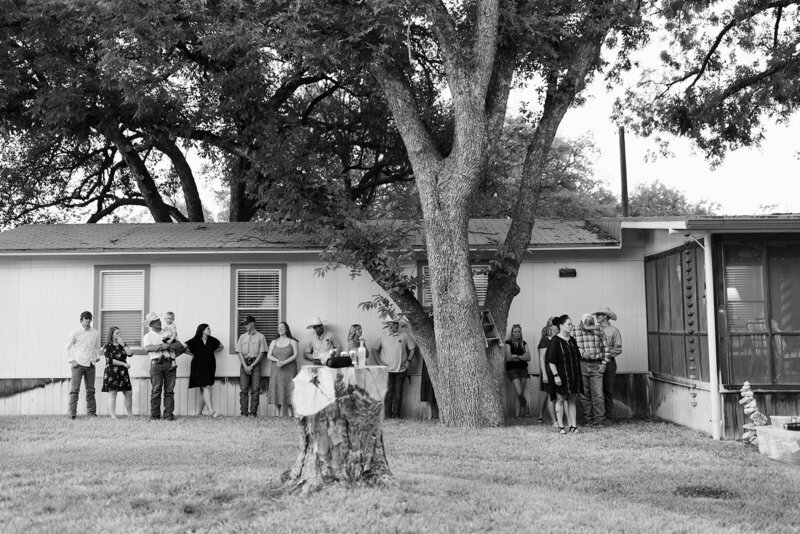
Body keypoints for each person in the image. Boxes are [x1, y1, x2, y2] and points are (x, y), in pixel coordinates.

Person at [545, 314, 584, 434]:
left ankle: (573, 426)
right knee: (560, 399)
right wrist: (556, 376)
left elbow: (577, 356)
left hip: (573, 374)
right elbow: (551, 360)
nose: (571, 326)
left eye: (571, 324)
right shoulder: (555, 341)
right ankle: (561, 426)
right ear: (561, 326)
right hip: (561, 375)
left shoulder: (572, 340)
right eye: (569, 324)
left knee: (572, 400)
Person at [372, 317, 416, 419]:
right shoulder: (382, 336)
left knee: (398, 393)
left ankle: (396, 416)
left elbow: (413, 349)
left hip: (401, 370)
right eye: (393, 324)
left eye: (397, 323)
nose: (396, 326)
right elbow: (374, 350)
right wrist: (380, 364)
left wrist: (408, 361)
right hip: (387, 371)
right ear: (388, 324)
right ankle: (388, 416)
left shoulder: (404, 335)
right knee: (388, 394)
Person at [572, 313, 608, 426]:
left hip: (596, 364)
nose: (589, 328)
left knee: (598, 394)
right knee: (584, 394)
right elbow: (571, 347)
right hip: (581, 364)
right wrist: (581, 352)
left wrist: (604, 363)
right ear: (581, 323)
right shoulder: (574, 331)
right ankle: (588, 420)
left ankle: (599, 421)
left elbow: (606, 348)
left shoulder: (599, 330)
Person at [143, 311, 180, 420]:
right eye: (155, 321)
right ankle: (155, 416)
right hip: (156, 363)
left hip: (169, 362)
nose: (158, 322)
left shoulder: (167, 332)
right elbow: (147, 348)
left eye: (158, 320)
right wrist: (162, 346)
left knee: (169, 390)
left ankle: (168, 415)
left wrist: (169, 346)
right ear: (151, 325)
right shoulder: (148, 336)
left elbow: (177, 345)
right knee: (156, 390)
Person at [64, 310, 101, 419]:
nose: (88, 321)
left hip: (90, 365)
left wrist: (97, 356)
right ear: (81, 320)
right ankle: (72, 413)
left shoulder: (95, 333)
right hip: (78, 365)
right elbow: (67, 347)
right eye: (86, 319)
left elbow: (97, 347)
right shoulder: (75, 332)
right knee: (75, 390)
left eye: (90, 319)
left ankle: (92, 413)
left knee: (90, 390)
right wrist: (71, 360)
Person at [186, 323, 224, 418]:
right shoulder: (195, 340)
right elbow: (182, 348)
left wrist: (211, 351)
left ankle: (198, 413)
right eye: (208, 329)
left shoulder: (212, 340)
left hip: (210, 365)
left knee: (203, 389)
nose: (210, 330)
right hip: (198, 366)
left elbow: (221, 347)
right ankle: (211, 411)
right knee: (206, 386)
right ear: (202, 330)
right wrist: (192, 353)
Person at [236, 315, 268, 417]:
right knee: (244, 389)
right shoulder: (242, 337)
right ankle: (244, 413)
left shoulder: (261, 337)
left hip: (256, 364)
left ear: (252, 323)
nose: (245, 326)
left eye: (247, 324)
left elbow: (262, 353)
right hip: (244, 364)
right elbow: (240, 353)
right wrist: (245, 366)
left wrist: (252, 365)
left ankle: (253, 413)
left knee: (255, 389)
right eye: (244, 324)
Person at [595, 306, 622, 423]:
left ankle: (608, 416)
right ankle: (598, 416)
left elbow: (618, 348)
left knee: (608, 390)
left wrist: (606, 354)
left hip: (609, 363)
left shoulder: (614, 331)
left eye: (599, 314)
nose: (597, 317)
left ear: (605, 316)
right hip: (595, 362)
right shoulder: (594, 329)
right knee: (596, 390)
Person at [266, 322, 300, 417]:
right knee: (277, 388)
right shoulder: (274, 342)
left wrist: (284, 362)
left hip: (290, 369)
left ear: (286, 329)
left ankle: (290, 414)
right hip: (276, 369)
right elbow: (269, 355)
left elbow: (295, 355)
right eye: (278, 327)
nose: (280, 329)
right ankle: (277, 415)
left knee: (290, 389)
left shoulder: (293, 342)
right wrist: (277, 360)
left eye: (282, 327)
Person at [101, 326, 133, 418]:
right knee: (113, 394)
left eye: (120, 333)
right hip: (112, 371)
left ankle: (130, 414)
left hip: (123, 372)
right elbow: (110, 360)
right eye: (117, 333)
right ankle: (113, 415)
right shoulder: (107, 346)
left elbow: (130, 354)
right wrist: (123, 363)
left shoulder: (122, 344)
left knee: (128, 393)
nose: (119, 334)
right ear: (112, 335)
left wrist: (123, 344)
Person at [504, 324, 531, 418]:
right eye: (515, 331)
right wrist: (522, 357)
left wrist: (516, 356)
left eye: (519, 331)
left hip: (523, 370)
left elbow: (528, 357)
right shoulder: (508, 343)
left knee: (520, 394)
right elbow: (508, 358)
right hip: (512, 370)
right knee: (519, 392)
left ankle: (517, 415)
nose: (517, 333)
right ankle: (526, 406)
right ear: (512, 333)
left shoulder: (524, 343)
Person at [536, 317, 558, 425]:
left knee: (554, 395)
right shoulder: (545, 339)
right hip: (548, 370)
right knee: (548, 395)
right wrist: (544, 374)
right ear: (550, 327)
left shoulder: (558, 339)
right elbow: (541, 358)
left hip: (557, 370)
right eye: (554, 325)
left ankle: (557, 418)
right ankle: (548, 418)